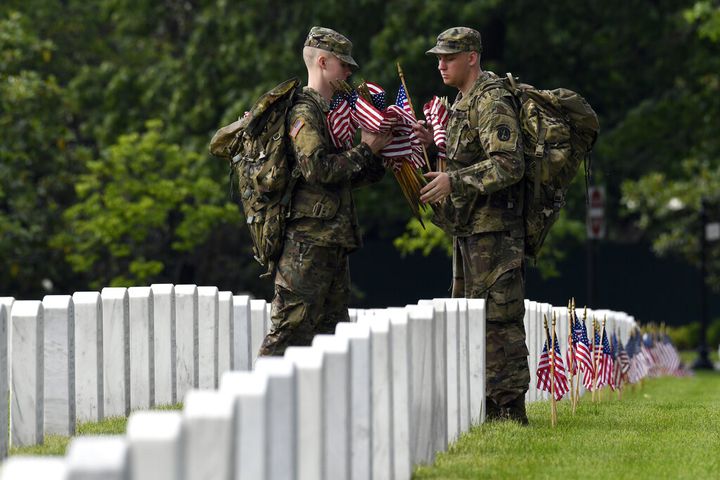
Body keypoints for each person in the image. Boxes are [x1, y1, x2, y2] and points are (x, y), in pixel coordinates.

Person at [413, 27, 530, 423]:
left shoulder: (491, 99)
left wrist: (454, 181)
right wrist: (432, 142)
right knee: (474, 316)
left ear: (472, 57)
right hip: (470, 228)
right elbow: (464, 155)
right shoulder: (463, 102)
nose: (441, 64)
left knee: (500, 319)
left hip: (495, 232)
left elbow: (510, 164)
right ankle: (489, 404)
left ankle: (509, 408)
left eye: (449, 56)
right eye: (439, 57)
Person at [258, 26, 392, 356]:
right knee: (290, 331)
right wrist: (365, 150)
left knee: (329, 338)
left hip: (331, 240)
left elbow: (346, 176)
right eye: (343, 64)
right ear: (322, 62)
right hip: (306, 244)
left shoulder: (330, 113)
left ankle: (317, 408)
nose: (348, 71)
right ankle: (257, 403)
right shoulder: (305, 112)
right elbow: (317, 169)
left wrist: (377, 153)